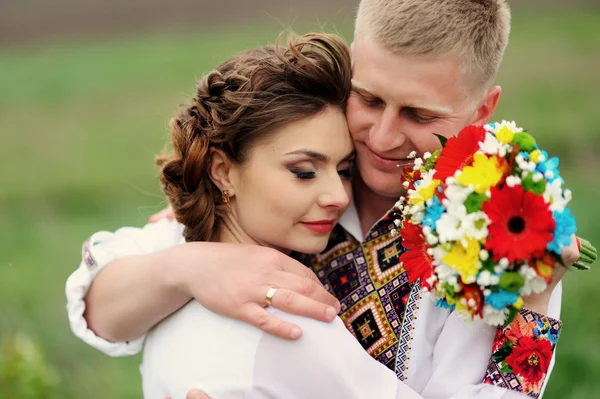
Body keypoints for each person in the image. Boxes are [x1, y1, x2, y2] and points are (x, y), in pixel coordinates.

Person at [66, 1, 579, 398]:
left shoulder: (499, 238)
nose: (380, 136)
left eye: (419, 116)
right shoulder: (282, 179)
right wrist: (190, 267)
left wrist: (533, 302)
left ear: (482, 109)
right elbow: (98, 310)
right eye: (370, 98)